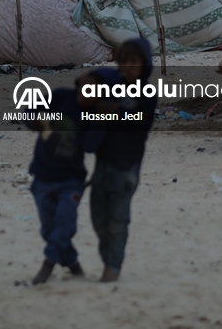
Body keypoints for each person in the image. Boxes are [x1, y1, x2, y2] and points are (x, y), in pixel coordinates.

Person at [25, 70, 109, 285]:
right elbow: (28, 114)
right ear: (78, 84)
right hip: (43, 175)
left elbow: (90, 146)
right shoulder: (60, 97)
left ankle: (47, 266)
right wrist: (37, 121)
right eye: (87, 85)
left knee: (65, 222)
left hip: (71, 180)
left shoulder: (94, 116)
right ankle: (73, 265)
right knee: (48, 229)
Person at [89, 38, 157, 283]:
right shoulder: (110, 87)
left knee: (118, 218)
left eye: (134, 62)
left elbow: (142, 121)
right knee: (98, 218)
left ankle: (113, 267)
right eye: (124, 61)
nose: (128, 66)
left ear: (144, 65)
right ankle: (109, 258)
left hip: (127, 165)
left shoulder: (147, 94)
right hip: (103, 163)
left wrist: (117, 112)